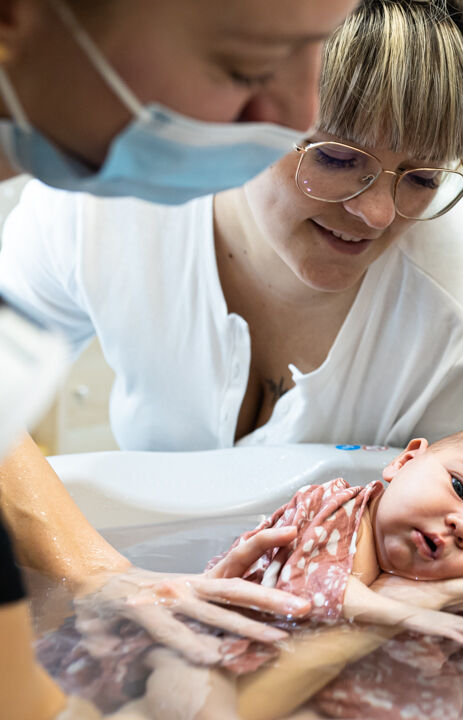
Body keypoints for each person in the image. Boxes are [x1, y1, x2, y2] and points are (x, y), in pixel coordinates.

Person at [0, 0, 463, 677]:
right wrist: (97, 572)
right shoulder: (110, 201)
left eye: (423, 177)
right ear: (255, 104)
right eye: (339, 157)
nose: (376, 212)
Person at [0, 0, 359, 716]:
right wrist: (350, 634)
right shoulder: (78, 225)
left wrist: (97, 573)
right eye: (249, 66)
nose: (297, 113)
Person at [41, 426, 463, 719]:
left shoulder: (462, 599)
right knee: (194, 700)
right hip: (212, 646)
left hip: (331, 697)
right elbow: (313, 596)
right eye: (460, 488)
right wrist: (390, 607)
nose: (462, 526)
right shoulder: (334, 506)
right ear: (403, 461)